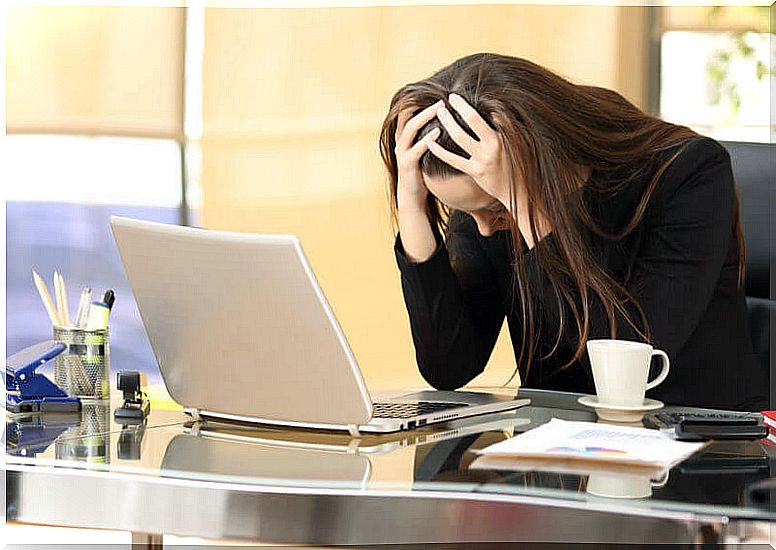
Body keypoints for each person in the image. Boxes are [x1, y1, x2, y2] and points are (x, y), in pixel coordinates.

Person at [378, 53, 768, 411]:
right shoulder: (486, 188)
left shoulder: (688, 173)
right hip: (557, 448)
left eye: (493, 209)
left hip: (698, 447)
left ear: (539, 158)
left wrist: (527, 208)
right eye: (463, 212)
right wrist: (412, 209)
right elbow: (450, 369)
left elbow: (629, 369)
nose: (482, 229)